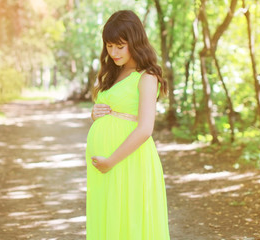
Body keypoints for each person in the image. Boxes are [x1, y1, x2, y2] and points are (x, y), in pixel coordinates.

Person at [86, 10, 170, 240]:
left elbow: (145, 129)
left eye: (120, 46)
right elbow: (116, 111)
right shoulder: (114, 73)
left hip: (128, 160)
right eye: (109, 46)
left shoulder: (147, 77)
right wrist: (97, 115)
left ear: (135, 42)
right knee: (109, 216)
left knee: (129, 219)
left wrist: (111, 161)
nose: (113, 52)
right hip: (104, 165)